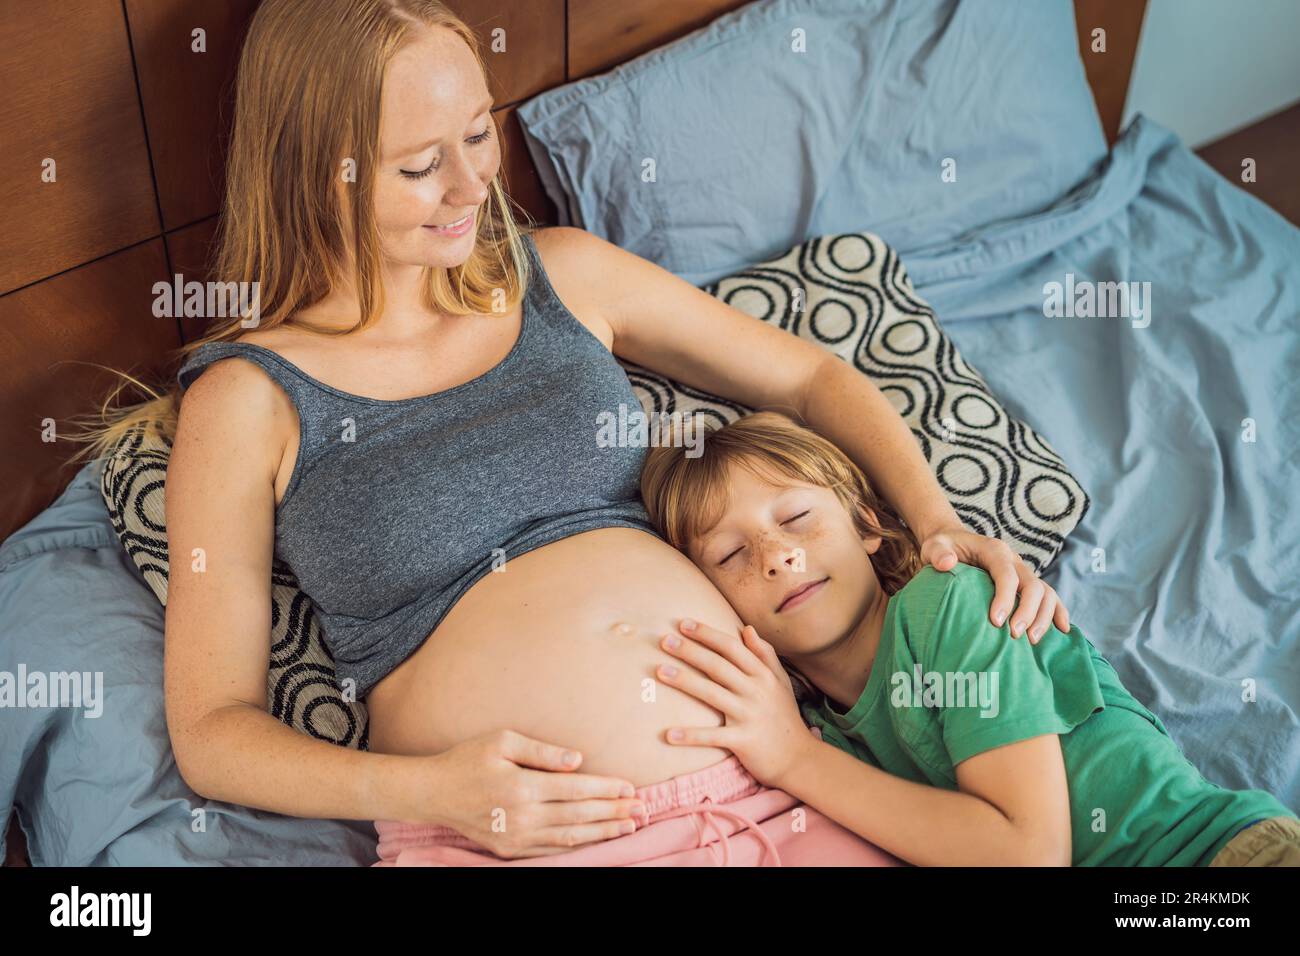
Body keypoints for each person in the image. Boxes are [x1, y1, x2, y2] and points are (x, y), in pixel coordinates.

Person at [70, 0, 1070, 862]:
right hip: (500, 835)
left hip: (772, 791)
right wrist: (431, 789)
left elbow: (810, 372)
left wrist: (939, 523)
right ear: (311, 174)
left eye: (477, 133)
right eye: (420, 164)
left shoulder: (562, 276)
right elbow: (213, 731)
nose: (472, 188)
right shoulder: (247, 400)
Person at [638, 411, 1300, 865]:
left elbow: (1028, 853)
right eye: (730, 555)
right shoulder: (817, 732)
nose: (777, 556)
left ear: (867, 525)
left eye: (798, 518)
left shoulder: (946, 601)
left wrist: (793, 761)